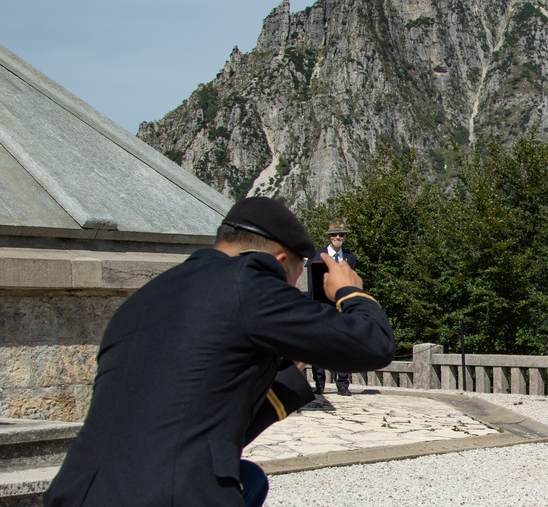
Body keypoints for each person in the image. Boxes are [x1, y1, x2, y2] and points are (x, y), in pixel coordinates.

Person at [44, 197, 395, 507]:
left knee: (249, 478)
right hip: (171, 494)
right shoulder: (249, 281)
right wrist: (350, 292)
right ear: (278, 260)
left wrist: (288, 368)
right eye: (295, 276)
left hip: (75, 490)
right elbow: (373, 344)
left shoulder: (144, 299)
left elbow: (208, 428)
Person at [308, 219, 357, 396]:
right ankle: (319, 384)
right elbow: (311, 283)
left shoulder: (350, 258)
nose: (338, 237)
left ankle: (343, 384)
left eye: (341, 234)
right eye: (334, 234)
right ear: (329, 237)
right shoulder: (316, 256)